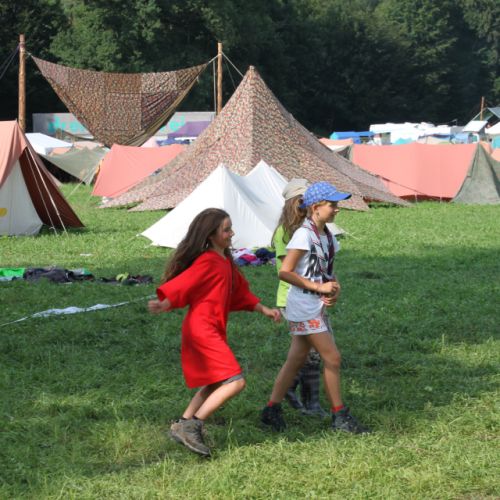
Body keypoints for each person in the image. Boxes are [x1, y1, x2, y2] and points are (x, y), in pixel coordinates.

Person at [149, 208, 280, 457]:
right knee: (236, 381)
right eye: (226, 230)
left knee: (216, 381)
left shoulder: (225, 261)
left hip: (212, 328)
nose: (232, 233)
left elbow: (239, 293)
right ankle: (192, 426)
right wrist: (165, 303)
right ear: (211, 235)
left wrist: (264, 309)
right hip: (202, 329)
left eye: (231, 228)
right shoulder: (207, 261)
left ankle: (181, 423)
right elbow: (185, 284)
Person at [261, 182, 370, 434]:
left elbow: (326, 270)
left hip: (314, 303)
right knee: (332, 357)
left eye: (337, 204)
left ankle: (271, 410)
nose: (337, 209)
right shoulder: (303, 235)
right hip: (303, 305)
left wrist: (333, 288)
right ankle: (340, 416)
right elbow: (285, 272)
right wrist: (318, 287)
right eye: (332, 204)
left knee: (296, 358)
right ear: (315, 207)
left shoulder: (326, 236)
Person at [272, 178, 328, 417]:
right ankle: (310, 404)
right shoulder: (286, 232)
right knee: (314, 354)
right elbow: (286, 271)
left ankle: (289, 389)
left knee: (305, 353)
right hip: (293, 298)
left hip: (312, 297)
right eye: (302, 200)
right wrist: (316, 286)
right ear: (293, 203)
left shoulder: (311, 230)